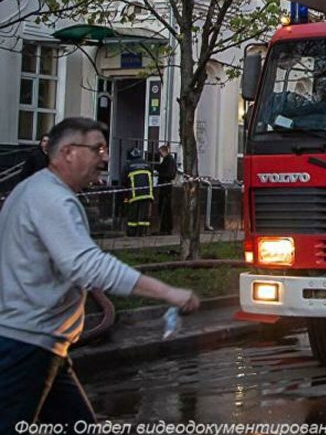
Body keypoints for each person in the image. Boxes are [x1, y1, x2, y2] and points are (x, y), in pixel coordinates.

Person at [0, 117, 199, 429]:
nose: (105, 157)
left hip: (42, 343)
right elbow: (90, 266)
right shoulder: (53, 199)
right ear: (67, 152)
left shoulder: (30, 190)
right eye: (97, 149)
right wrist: (167, 292)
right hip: (27, 344)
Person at [122, 147, 155, 237]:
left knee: (133, 215)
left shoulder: (128, 165)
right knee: (143, 215)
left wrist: (125, 195)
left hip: (134, 195)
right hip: (147, 194)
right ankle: (142, 233)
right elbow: (151, 177)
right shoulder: (147, 164)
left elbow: (123, 180)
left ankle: (131, 233)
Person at [156, 145, 178, 235]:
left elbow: (169, 173)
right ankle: (165, 228)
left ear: (164, 151)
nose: (160, 155)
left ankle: (165, 228)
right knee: (165, 208)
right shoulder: (168, 160)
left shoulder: (169, 160)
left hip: (165, 187)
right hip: (165, 186)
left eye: (160, 152)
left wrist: (160, 171)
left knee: (165, 208)